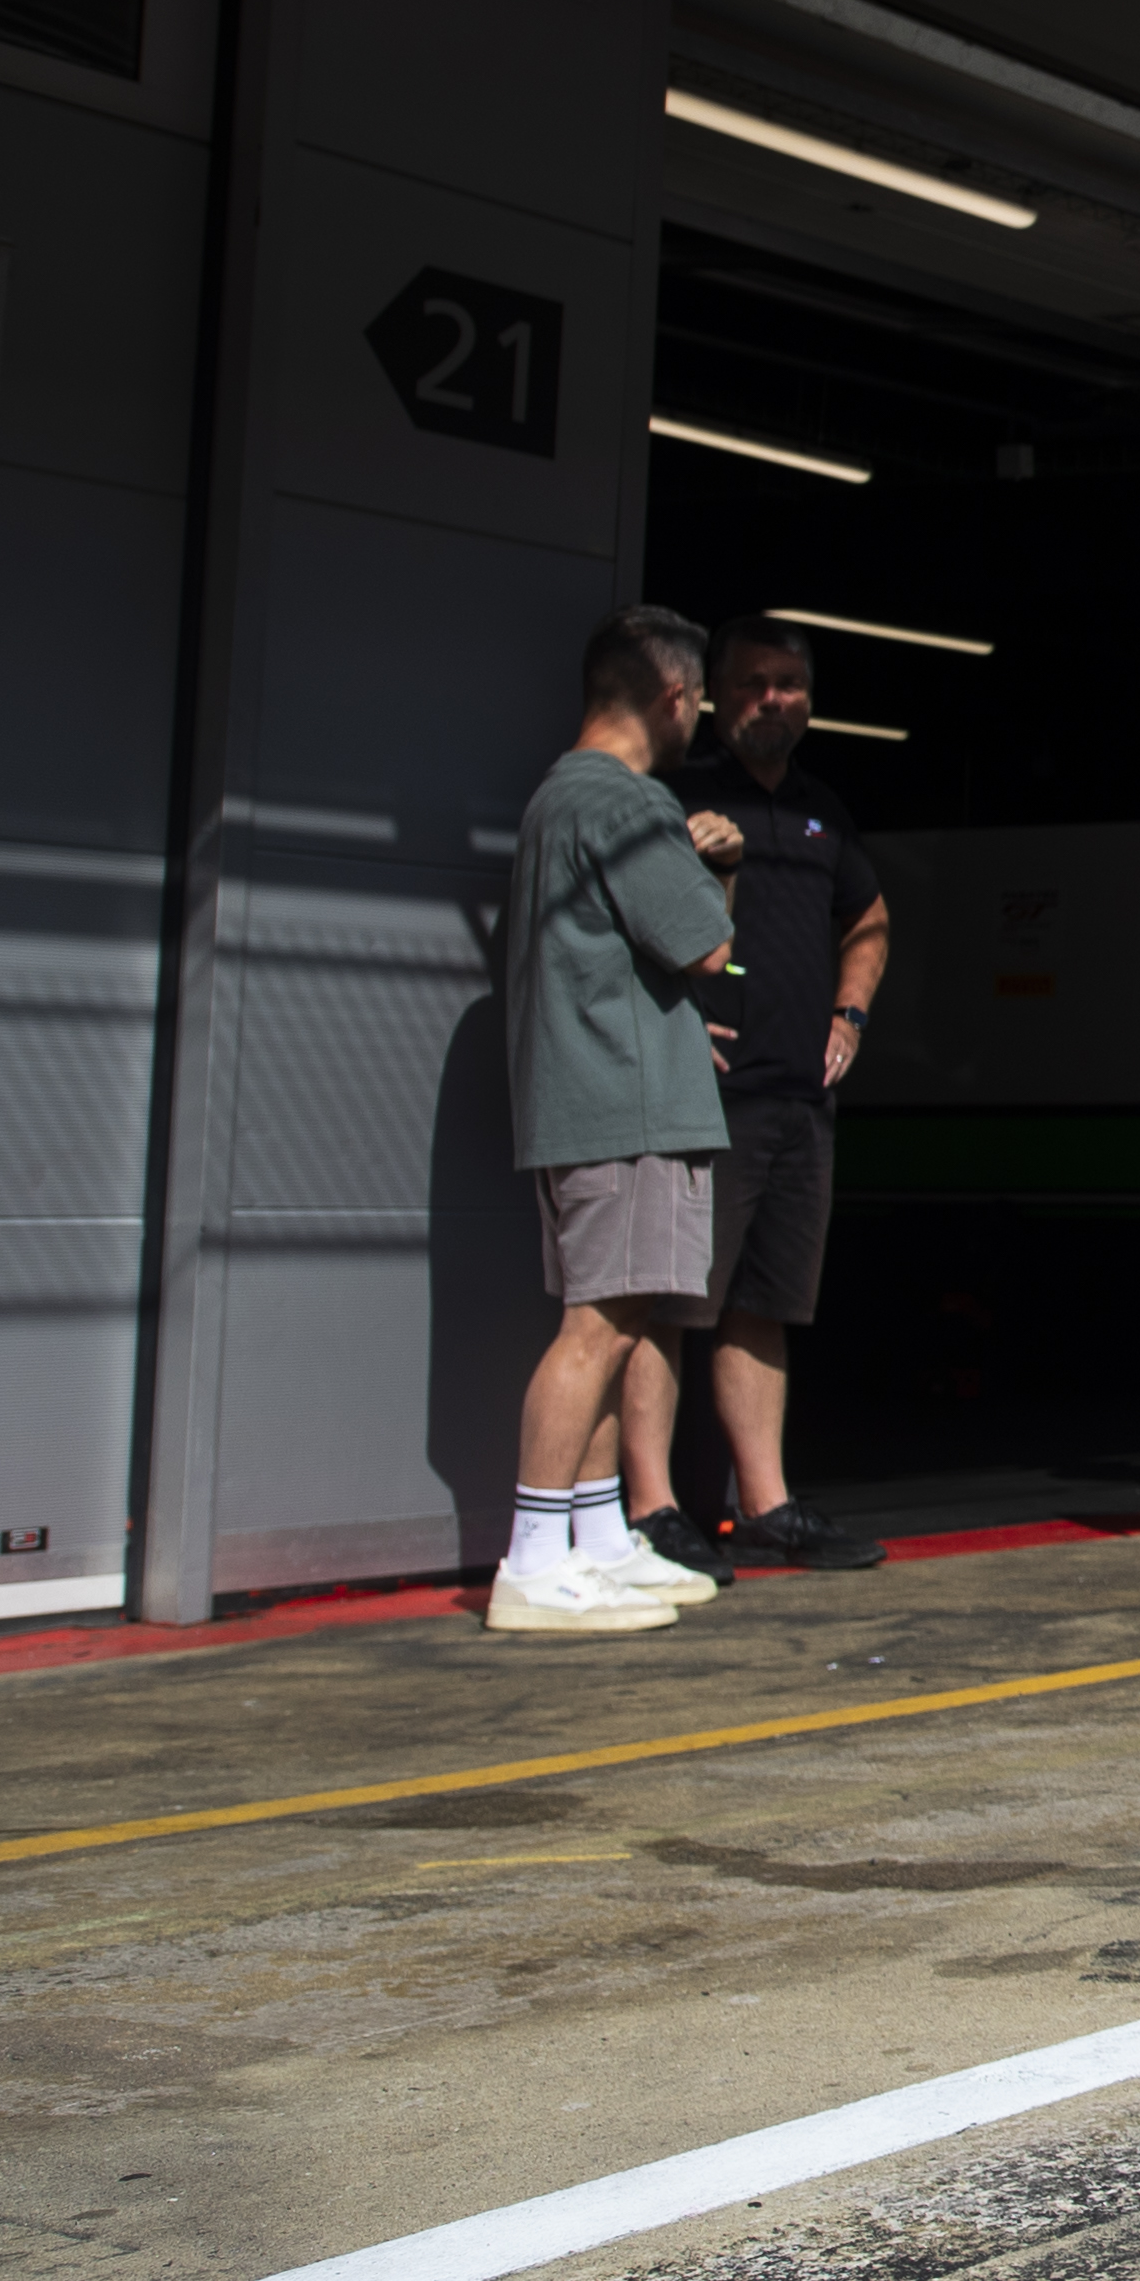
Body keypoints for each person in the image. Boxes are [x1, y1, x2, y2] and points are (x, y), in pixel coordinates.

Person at [494, 606, 742, 1636]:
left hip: (591, 1093)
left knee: (616, 1317)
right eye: (700, 701)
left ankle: (593, 1538)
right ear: (673, 696)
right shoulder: (626, 802)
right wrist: (715, 860)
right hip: (625, 1108)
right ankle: (530, 1556)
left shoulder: (560, 796)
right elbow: (704, 944)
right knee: (596, 1329)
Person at [659, 620, 892, 1573]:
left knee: (765, 1306)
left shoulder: (822, 810)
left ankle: (767, 1502)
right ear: (714, 695)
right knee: (671, 1304)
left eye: (789, 683)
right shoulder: (675, 798)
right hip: (705, 1097)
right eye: (753, 682)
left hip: (801, 1100)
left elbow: (871, 920)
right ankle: (653, 1509)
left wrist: (852, 1016)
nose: (773, 699)